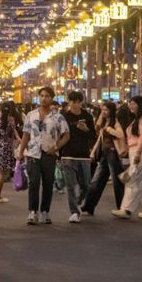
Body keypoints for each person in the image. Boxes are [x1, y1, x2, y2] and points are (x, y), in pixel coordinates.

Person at [17, 86, 69, 225]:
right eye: (41, 95)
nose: (44, 98)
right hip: (33, 154)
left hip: (49, 154)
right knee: (33, 183)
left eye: (47, 96)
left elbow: (66, 135)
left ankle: (45, 211)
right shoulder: (31, 115)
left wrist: (56, 147)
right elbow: (26, 134)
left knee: (48, 183)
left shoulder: (58, 117)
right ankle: (32, 211)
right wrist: (21, 151)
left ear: (52, 98)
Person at [113, 96, 142, 220]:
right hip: (136, 150)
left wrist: (137, 153)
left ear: (139, 104)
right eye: (130, 103)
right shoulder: (138, 118)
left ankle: (126, 209)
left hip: (139, 151)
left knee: (133, 180)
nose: (131, 106)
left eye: (133, 103)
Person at [82, 101, 127, 216]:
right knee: (96, 181)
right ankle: (88, 206)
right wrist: (93, 152)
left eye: (106, 110)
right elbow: (98, 136)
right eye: (102, 110)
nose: (104, 112)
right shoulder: (104, 122)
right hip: (104, 154)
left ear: (111, 111)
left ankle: (123, 207)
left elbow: (121, 135)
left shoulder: (115, 122)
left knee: (117, 182)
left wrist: (110, 130)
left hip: (112, 153)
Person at [59, 91, 96, 223]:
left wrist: (86, 129)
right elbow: (59, 134)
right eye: (72, 101)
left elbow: (93, 136)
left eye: (77, 102)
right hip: (67, 155)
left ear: (81, 102)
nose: (75, 105)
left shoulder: (87, 116)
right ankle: (74, 211)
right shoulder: (64, 116)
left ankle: (78, 202)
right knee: (70, 185)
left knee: (86, 184)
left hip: (84, 155)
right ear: (68, 102)